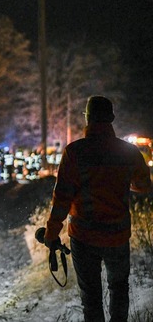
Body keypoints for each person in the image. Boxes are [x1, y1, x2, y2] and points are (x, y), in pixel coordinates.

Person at [44, 95, 151, 322]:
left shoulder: (74, 152)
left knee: (91, 299)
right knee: (119, 290)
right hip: (117, 236)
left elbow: (62, 197)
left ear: (88, 119)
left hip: (84, 239)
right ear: (111, 119)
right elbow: (144, 186)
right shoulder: (129, 152)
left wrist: (51, 233)